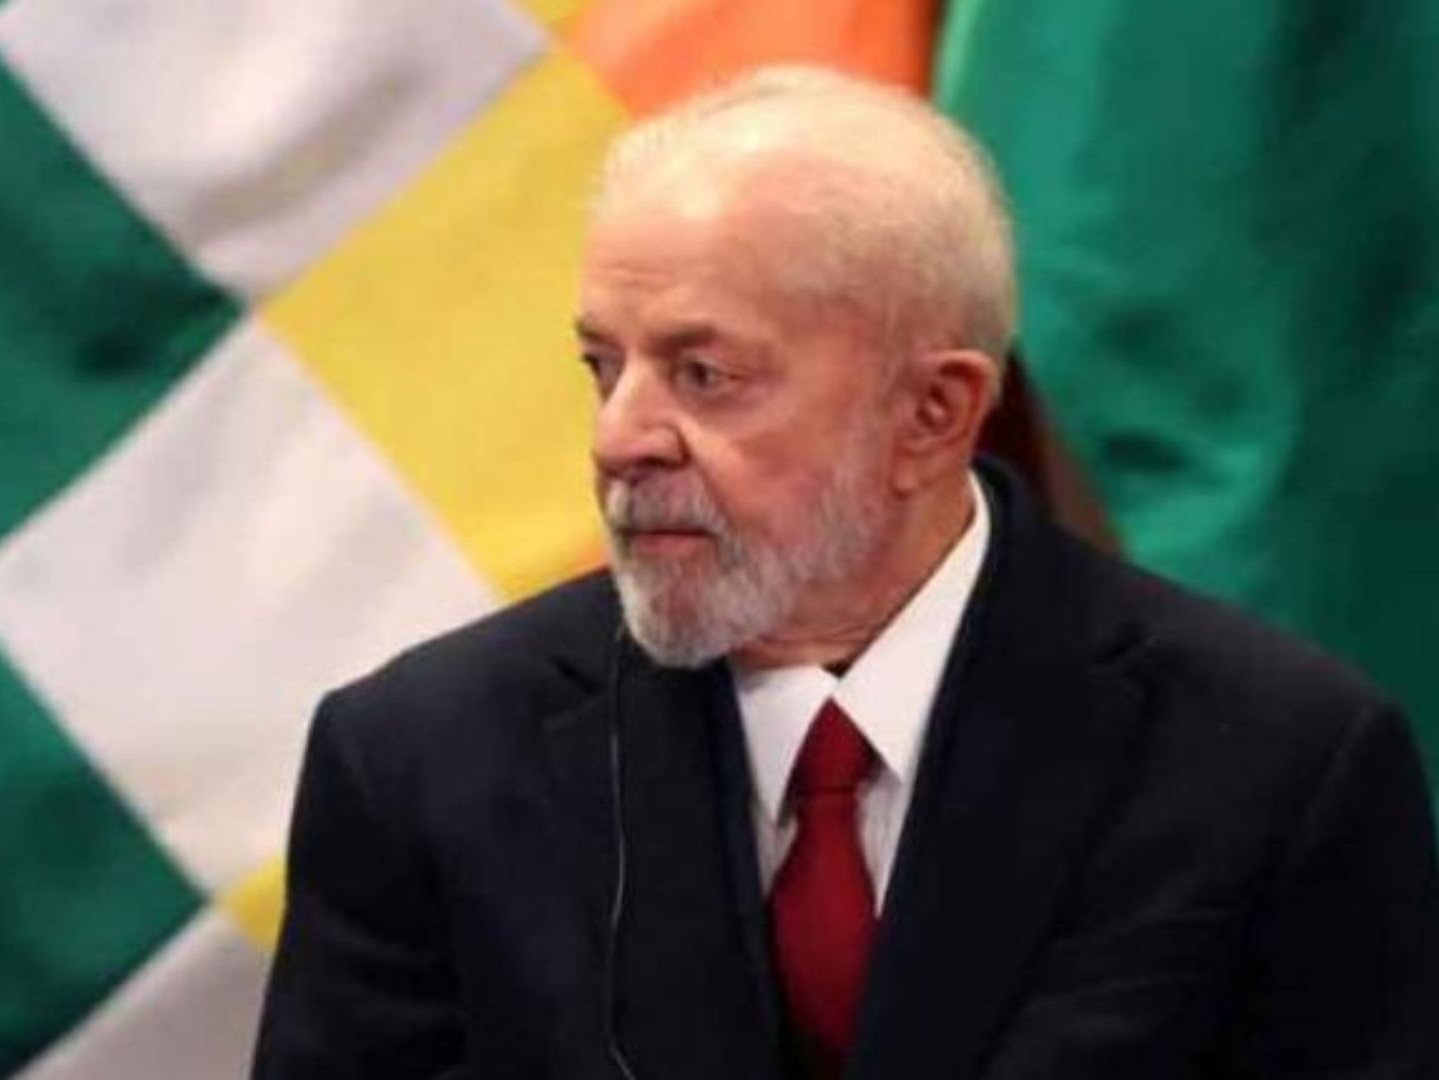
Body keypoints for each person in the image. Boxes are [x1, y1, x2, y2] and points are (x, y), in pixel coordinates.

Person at [251, 66, 1439, 1079]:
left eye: (704, 374)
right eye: (603, 366)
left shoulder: (1281, 761)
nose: (621, 436)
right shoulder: (417, 759)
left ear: (933, 414)